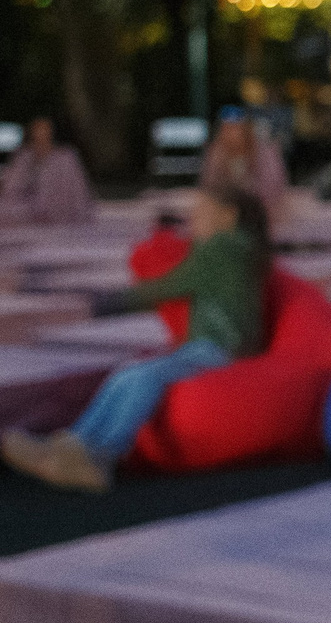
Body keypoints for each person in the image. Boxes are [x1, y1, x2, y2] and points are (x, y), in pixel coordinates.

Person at [3, 187, 269, 492]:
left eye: (202, 213)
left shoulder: (222, 248)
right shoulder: (234, 250)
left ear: (228, 216)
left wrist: (107, 304)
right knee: (127, 372)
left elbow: (171, 285)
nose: (193, 220)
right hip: (210, 346)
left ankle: (102, 455)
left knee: (144, 377)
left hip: (222, 349)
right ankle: (74, 446)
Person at [0, 117, 95, 225]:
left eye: (44, 130)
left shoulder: (65, 156)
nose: (40, 134)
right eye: (37, 130)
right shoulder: (24, 156)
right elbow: (12, 185)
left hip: (58, 207)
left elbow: (77, 187)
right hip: (27, 205)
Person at [199, 105, 291, 217]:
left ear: (246, 129)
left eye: (235, 128)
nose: (230, 133)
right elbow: (209, 186)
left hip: (262, 214)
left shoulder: (265, 153)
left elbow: (272, 189)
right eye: (226, 129)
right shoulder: (217, 151)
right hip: (226, 213)